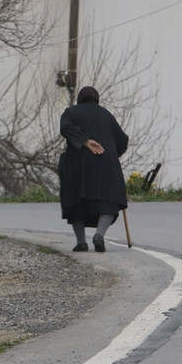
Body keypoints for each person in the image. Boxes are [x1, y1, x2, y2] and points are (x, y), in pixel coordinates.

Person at [58, 86, 129, 252]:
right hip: (106, 161)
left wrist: (83, 141)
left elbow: (65, 128)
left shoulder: (71, 112)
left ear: (79, 99)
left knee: (77, 201)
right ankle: (99, 235)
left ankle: (81, 242)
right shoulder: (106, 115)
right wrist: (113, 154)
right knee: (107, 200)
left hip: (77, 163)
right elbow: (123, 140)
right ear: (96, 99)